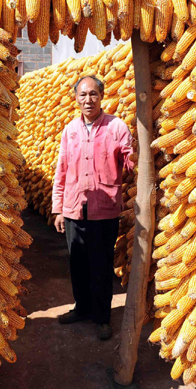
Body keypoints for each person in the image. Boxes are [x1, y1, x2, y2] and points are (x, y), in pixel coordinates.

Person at [51, 75, 135, 340]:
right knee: (78, 264)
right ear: (76, 98)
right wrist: (58, 208)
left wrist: (136, 155)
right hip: (74, 208)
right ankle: (82, 308)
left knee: (101, 265)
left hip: (105, 209)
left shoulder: (117, 127)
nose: (88, 100)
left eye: (93, 94)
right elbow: (61, 171)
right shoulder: (70, 131)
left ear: (102, 96)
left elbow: (130, 162)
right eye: (83, 95)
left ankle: (102, 317)